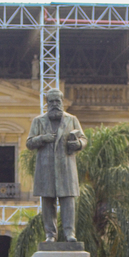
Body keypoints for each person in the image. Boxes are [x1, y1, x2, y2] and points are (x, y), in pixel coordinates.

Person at [27, 89, 87, 242]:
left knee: (68, 201)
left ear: (62, 102)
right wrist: (42, 138)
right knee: (48, 202)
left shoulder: (71, 120)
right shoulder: (38, 121)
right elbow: (29, 143)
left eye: (57, 101)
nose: (54, 104)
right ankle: (50, 235)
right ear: (47, 103)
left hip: (66, 166)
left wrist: (77, 144)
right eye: (51, 101)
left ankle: (69, 234)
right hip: (45, 168)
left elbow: (83, 139)